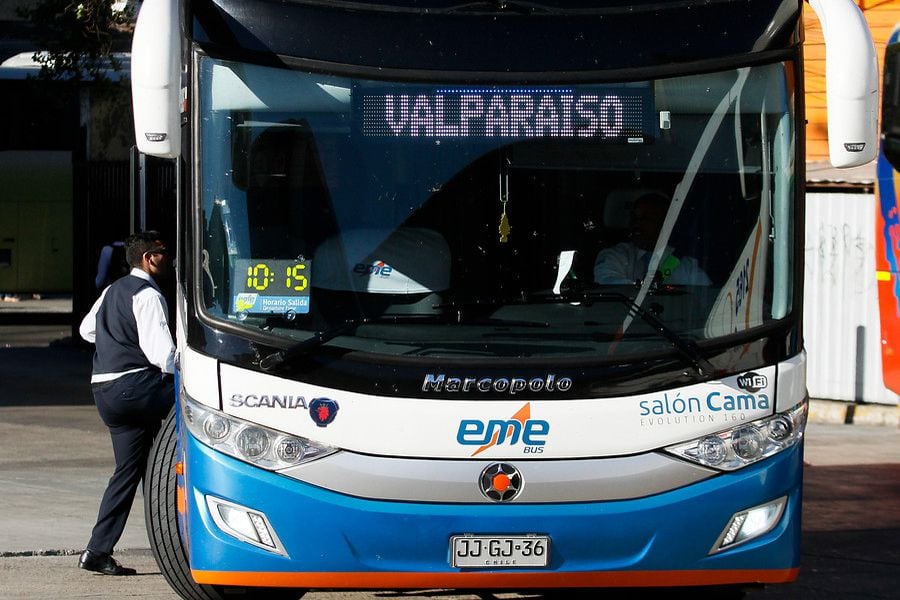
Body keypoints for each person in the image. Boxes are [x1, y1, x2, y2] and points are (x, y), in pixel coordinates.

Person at [77, 231, 176, 576]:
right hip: (138, 387)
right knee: (200, 406)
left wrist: (116, 341)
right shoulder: (148, 295)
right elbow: (163, 356)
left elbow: (87, 330)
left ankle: (97, 551)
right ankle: (182, 541)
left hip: (105, 392)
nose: (171, 259)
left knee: (129, 471)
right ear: (150, 259)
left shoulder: (112, 290)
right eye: (165, 253)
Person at [593, 191, 711, 286]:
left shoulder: (685, 266)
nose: (636, 224)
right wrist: (643, 290)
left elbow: (707, 303)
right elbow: (607, 282)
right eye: (634, 218)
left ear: (664, 223)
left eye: (646, 219)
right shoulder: (614, 256)